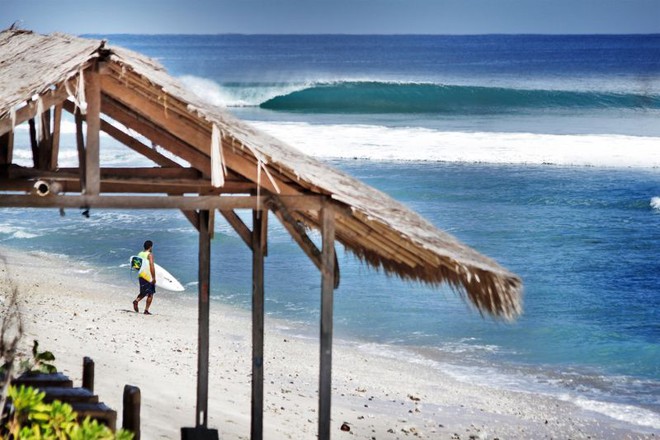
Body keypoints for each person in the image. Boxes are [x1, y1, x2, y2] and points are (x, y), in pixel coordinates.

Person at [133, 240, 156, 315]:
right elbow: (151, 266)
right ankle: (146, 310)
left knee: (143, 292)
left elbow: (136, 266)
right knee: (150, 294)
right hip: (148, 277)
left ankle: (136, 300)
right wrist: (153, 277)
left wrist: (140, 274)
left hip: (141, 275)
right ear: (150, 246)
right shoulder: (150, 255)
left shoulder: (140, 253)